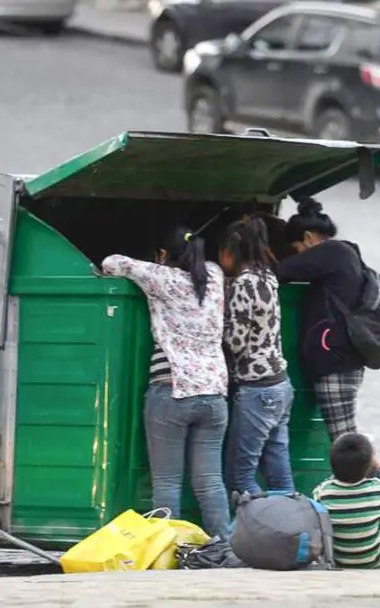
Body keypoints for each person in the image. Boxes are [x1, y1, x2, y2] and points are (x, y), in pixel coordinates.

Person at [101, 226, 231, 539]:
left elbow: (111, 262)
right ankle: (224, 545)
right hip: (214, 394)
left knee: (168, 481)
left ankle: (169, 550)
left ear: (163, 255)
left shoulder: (162, 278)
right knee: (211, 480)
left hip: (172, 390)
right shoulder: (214, 276)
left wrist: (155, 265)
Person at [276, 198, 366, 442]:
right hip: (342, 358)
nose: (298, 254)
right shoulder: (342, 253)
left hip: (336, 361)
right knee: (344, 436)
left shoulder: (331, 252)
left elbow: (281, 272)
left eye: (297, 248)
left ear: (307, 237)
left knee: (344, 440)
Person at [219, 216, 296, 496]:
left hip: (256, 389)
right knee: (280, 478)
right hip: (280, 385)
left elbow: (236, 342)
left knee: (240, 479)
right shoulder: (268, 277)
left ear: (230, 251)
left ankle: (248, 535)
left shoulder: (244, 283)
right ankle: (291, 532)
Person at [312, 433, 380, 568]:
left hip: (338, 559)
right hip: (377, 559)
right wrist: (379, 467)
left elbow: (328, 484)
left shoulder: (322, 492)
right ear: (369, 463)